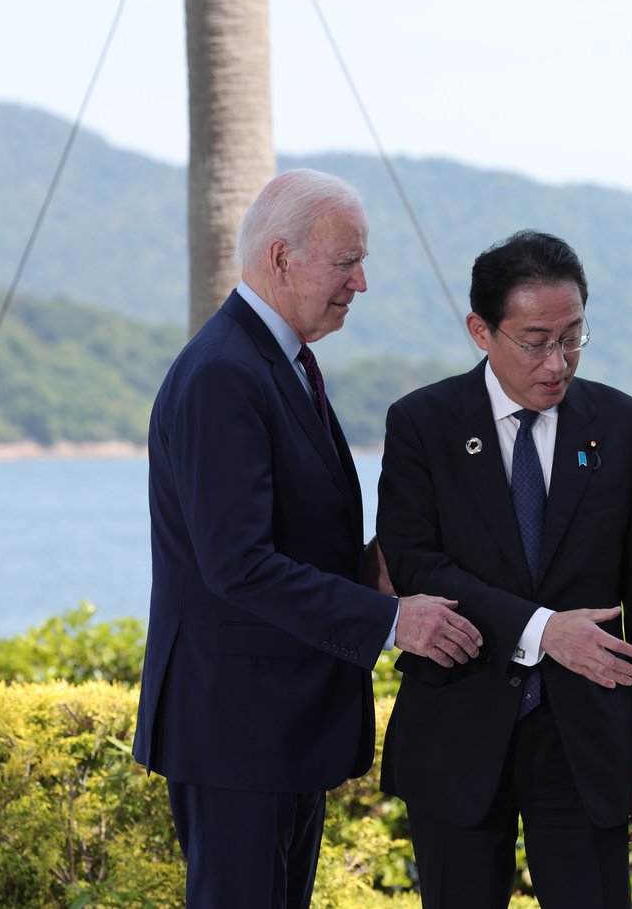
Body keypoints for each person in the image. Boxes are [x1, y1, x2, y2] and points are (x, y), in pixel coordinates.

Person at [132, 168, 483, 908]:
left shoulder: (280, 361)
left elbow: (290, 544)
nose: (361, 283)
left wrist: (384, 561)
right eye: (347, 261)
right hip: (239, 732)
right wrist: (393, 621)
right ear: (282, 258)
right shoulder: (224, 373)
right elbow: (239, 563)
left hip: (276, 728)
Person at [376, 230, 632, 908]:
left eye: (573, 337)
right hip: (458, 727)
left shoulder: (624, 423)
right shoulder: (422, 423)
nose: (558, 361)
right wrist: (543, 629)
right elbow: (413, 563)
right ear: (480, 331)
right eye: (536, 339)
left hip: (586, 742)